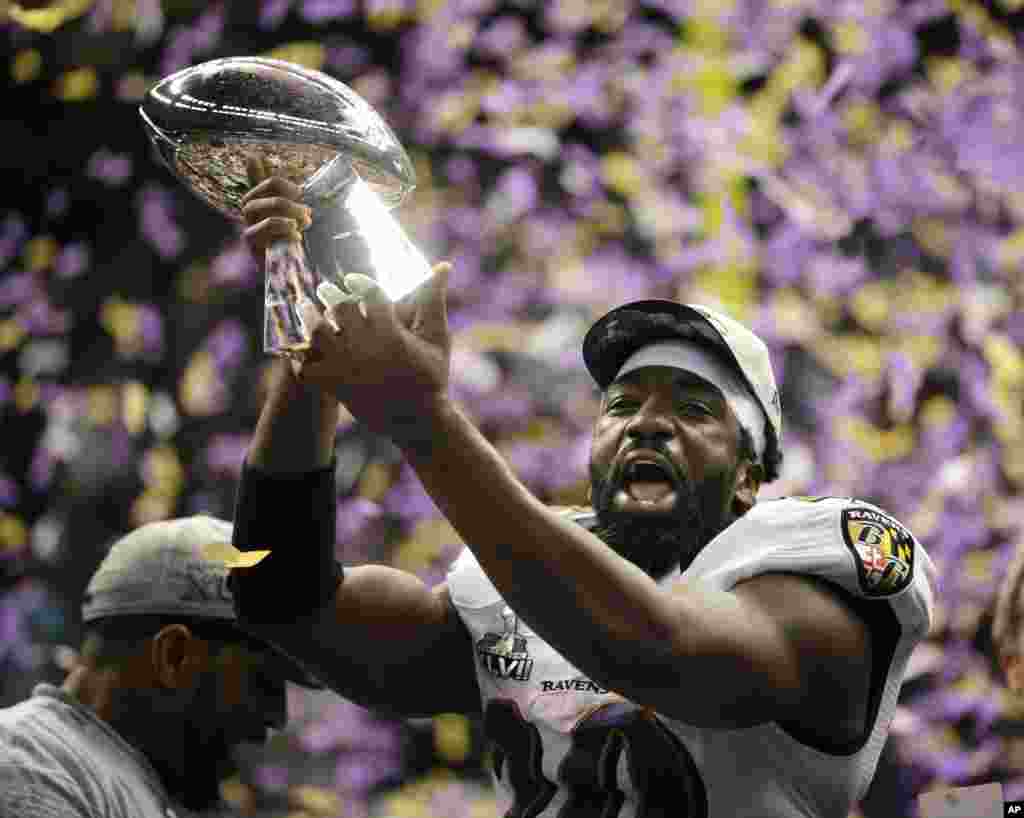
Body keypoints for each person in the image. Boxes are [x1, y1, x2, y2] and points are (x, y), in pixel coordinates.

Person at [226, 172, 936, 817]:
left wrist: (422, 420)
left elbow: (661, 651)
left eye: (694, 408)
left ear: (750, 474)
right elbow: (283, 602)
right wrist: (315, 368)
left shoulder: (821, 565)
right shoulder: (514, 587)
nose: (648, 423)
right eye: (622, 406)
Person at [0, 515, 322, 818]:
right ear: (174, 655)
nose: (276, 716)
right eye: (262, 681)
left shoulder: (109, 780)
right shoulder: (34, 769)